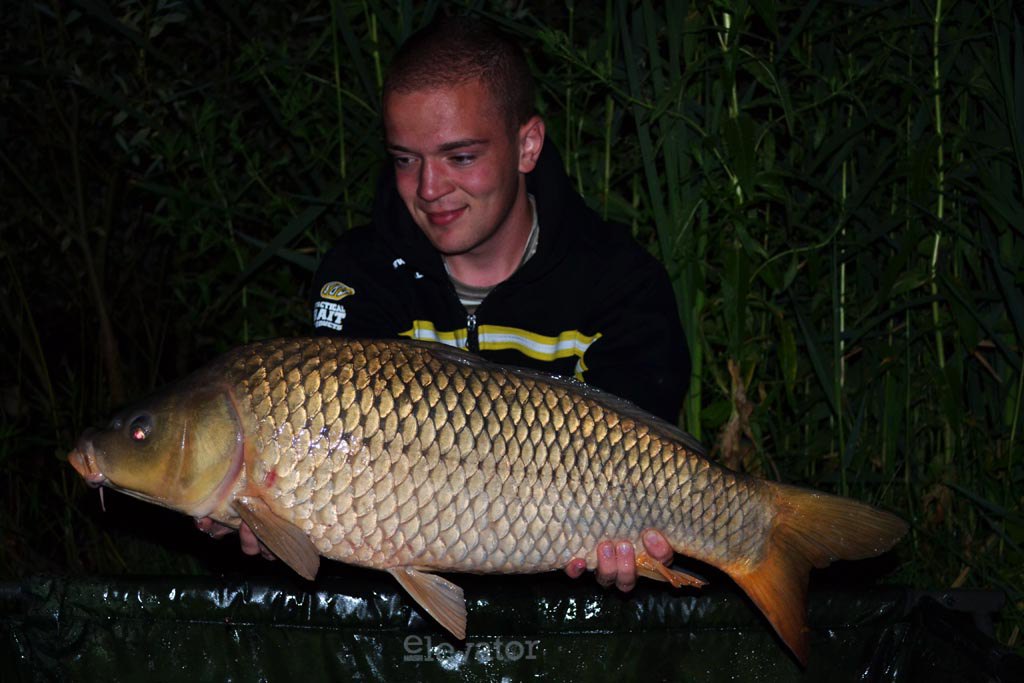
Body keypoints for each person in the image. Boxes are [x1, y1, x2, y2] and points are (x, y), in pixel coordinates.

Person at [199, 15, 691, 594]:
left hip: (565, 591)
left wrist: (632, 545)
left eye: (460, 157)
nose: (429, 189)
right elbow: (352, 493)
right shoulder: (363, 276)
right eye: (406, 159)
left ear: (527, 145)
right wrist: (276, 521)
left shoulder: (619, 281)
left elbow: (644, 457)